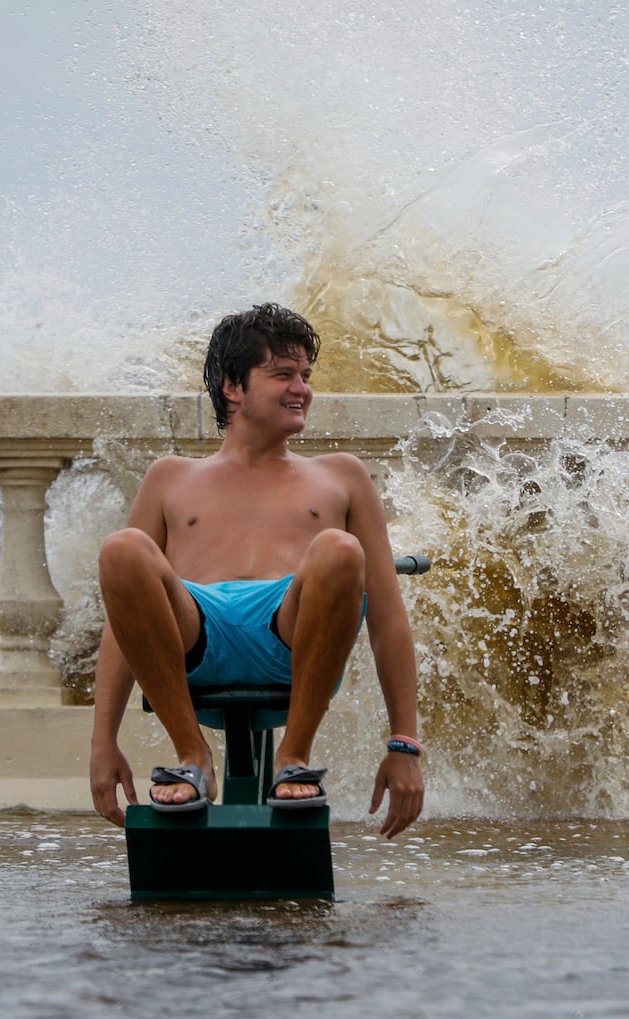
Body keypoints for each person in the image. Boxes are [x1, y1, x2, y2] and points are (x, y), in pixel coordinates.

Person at [89, 302, 424, 838]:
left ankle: (294, 757)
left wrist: (404, 744)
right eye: (283, 375)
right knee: (122, 549)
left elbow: (387, 618)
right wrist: (103, 741)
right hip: (195, 632)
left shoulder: (341, 475)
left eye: (306, 376)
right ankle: (192, 755)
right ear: (233, 387)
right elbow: (121, 618)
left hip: (292, 633)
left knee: (338, 548)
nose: (302, 388)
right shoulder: (171, 477)